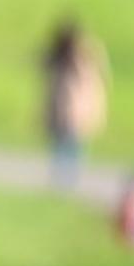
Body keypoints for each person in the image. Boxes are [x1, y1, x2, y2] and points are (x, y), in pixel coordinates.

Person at [42, 19, 109, 189]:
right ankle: (62, 179)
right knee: (62, 143)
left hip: (76, 108)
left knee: (71, 144)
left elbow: (94, 79)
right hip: (63, 107)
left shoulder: (83, 55)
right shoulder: (61, 56)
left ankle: (68, 179)